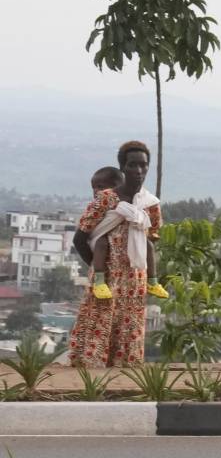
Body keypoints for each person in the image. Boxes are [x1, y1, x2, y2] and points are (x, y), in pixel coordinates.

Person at [68, 141, 163, 367]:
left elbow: (151, 237)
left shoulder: (149, 204)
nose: (139, 171)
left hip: (135, 281)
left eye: (143, 165)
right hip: (106, 280)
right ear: (123, 167)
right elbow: (80, 239)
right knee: (98, 324)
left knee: (128, 328)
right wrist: (97, 268)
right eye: (132, 165)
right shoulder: (106, 199)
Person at [74, 166, 168, 301]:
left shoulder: (138, 204)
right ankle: (100, 280)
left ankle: (152, 280)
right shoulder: (100, 204)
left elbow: (149, 226)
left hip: (129, 271)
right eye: (93, 187)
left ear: (117, 187)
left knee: (148, 245)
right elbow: (83, 235)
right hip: (100, 242)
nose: (96, 191)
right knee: (102, 242)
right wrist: (95, 265)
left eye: (100, 187)